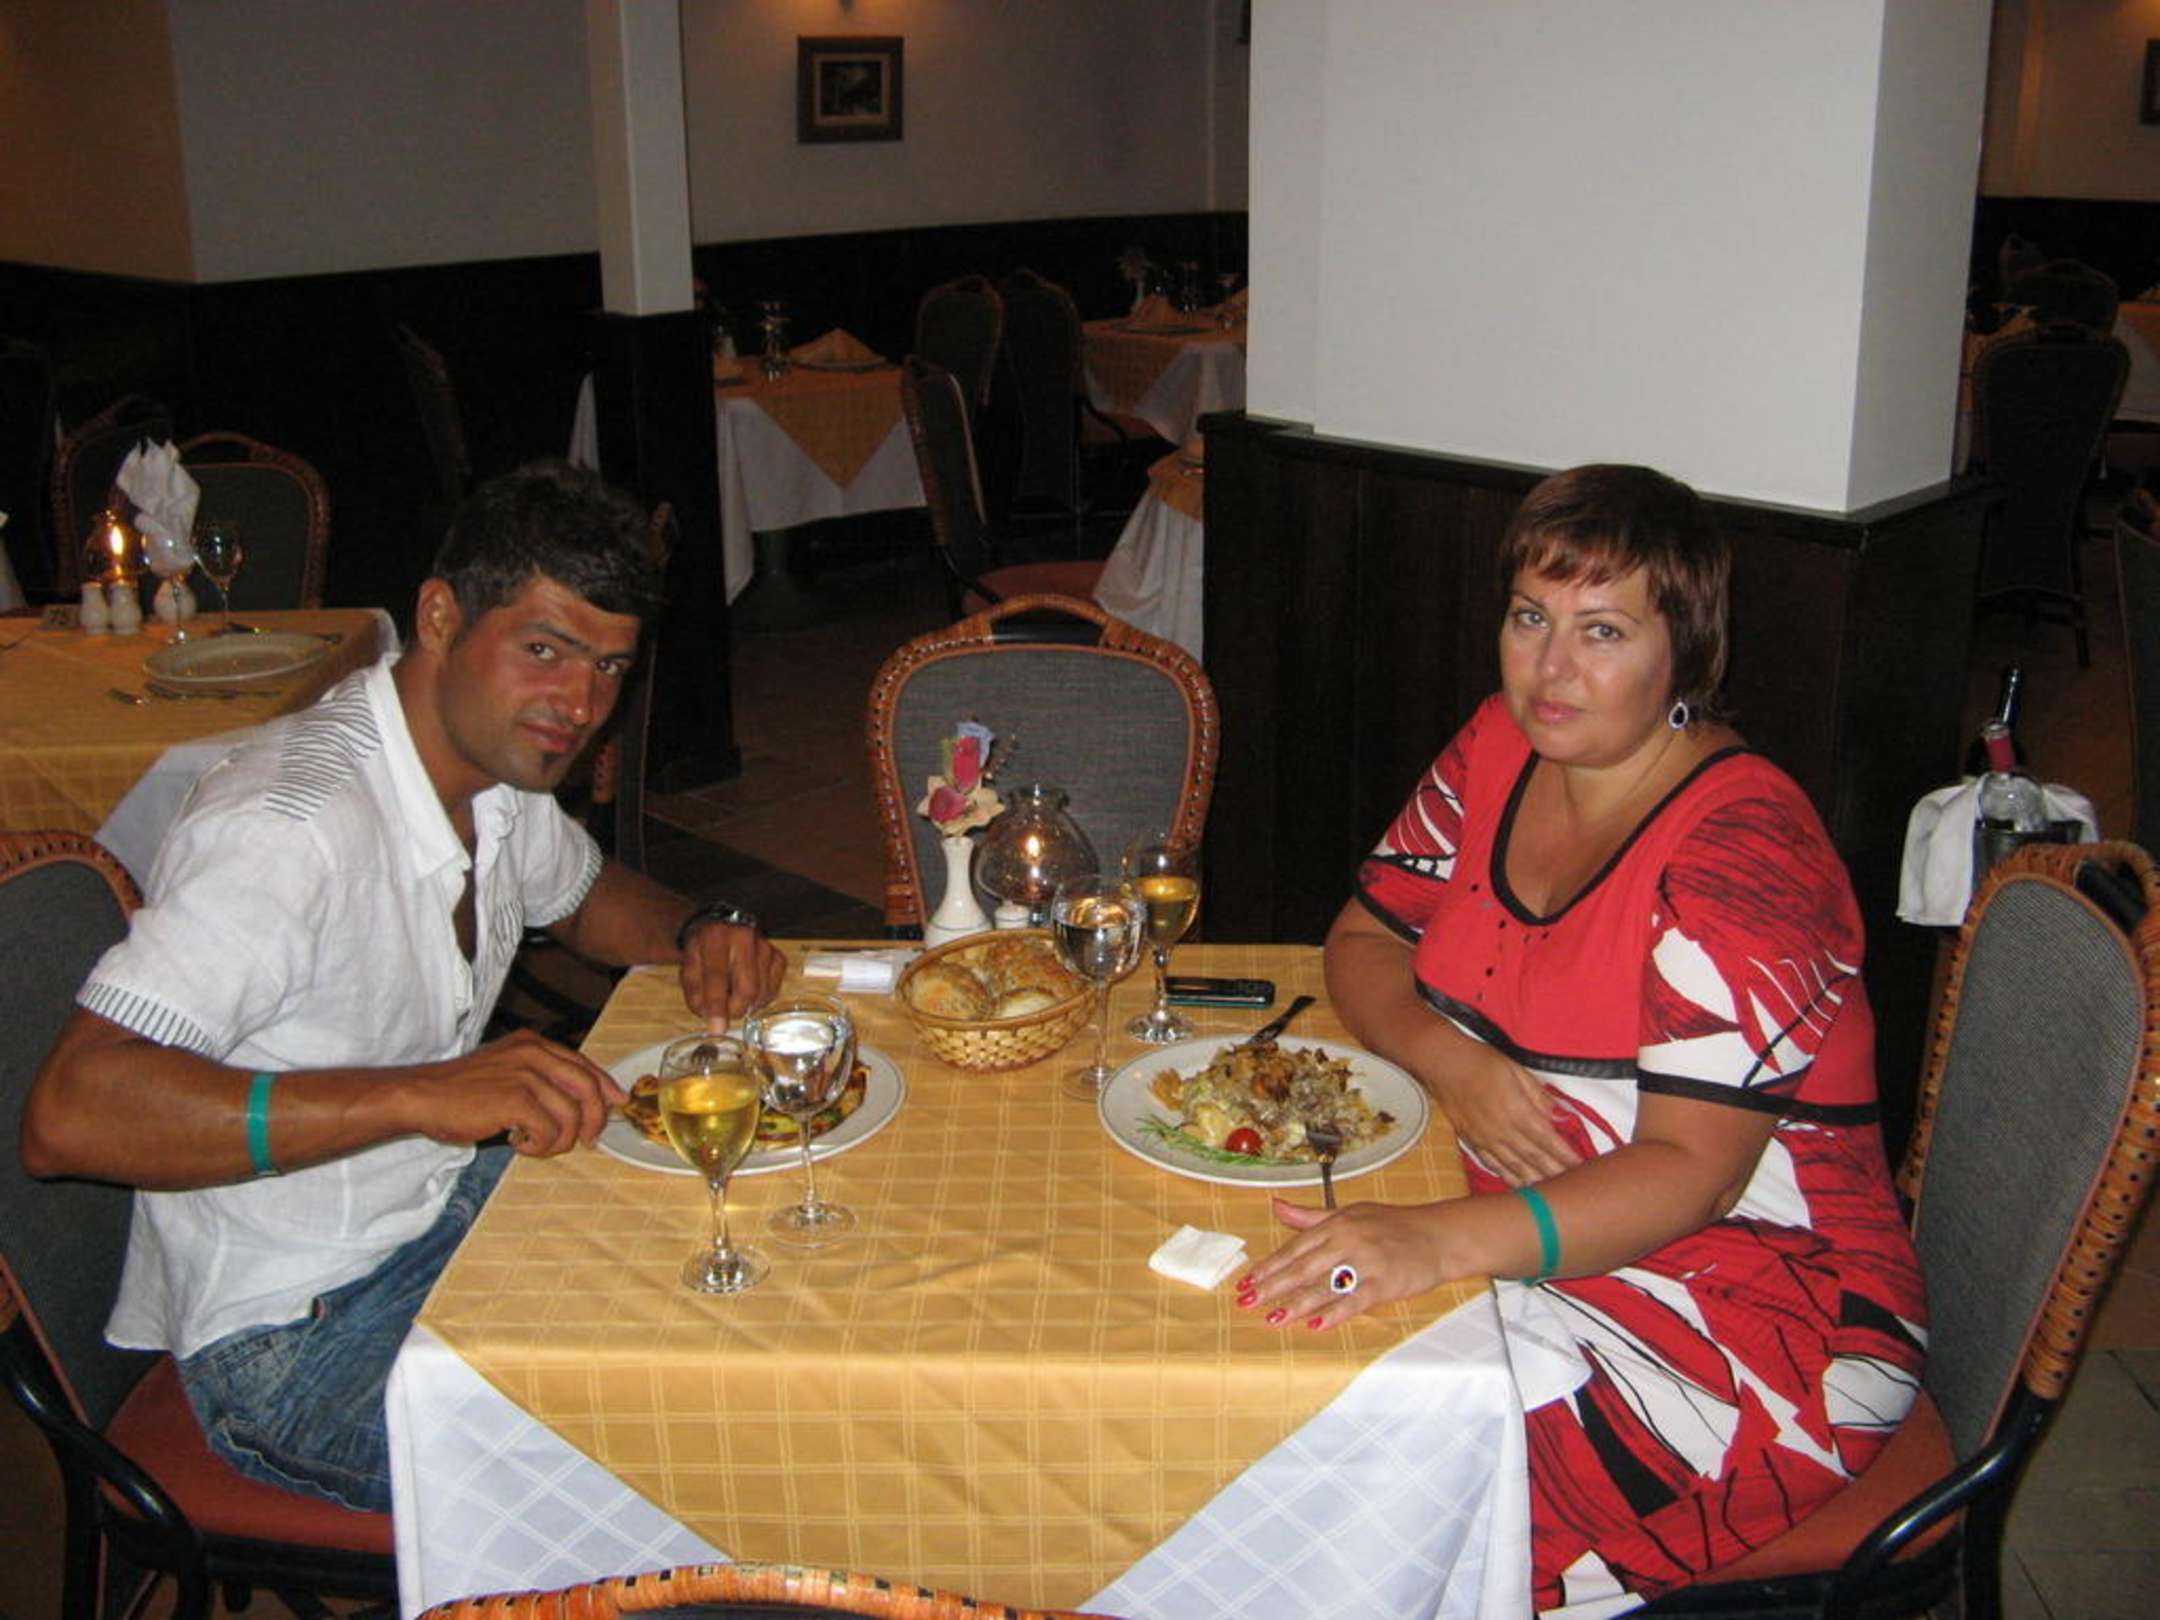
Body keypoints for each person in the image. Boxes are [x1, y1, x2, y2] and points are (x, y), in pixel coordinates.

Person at [21, 460, 787, 1514]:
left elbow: (585, 896)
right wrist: (418, 1093)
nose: (580, 706)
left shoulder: (497, 769)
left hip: (443, 1211)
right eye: (544, 650)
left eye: (609, 666)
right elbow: (69, 1116)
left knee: (761, 1271)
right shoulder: (287, 831)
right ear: (439, 617)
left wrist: (701, 931)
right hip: (293, 1340)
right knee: (705, 1461)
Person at [1239, 465, 1927, 1614]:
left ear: (1684, 653)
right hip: (1507, 1212)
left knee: (1363, 1506)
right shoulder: (1499, 748)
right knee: (1253, 1372)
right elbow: (1360, 940)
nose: (1550, 669)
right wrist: (1454, 1064)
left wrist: (1435, 1243)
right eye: (1530, 618)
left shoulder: (1745, 856)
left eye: (1602, 631)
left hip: (1750, 1311)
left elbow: (1696, 1176)